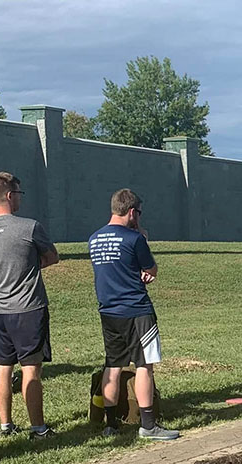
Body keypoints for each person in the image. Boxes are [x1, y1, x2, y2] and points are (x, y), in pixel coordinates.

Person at [88, 188, 179, 441]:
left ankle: (110, 424)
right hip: (137, 310)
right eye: (138, 213)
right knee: (144, 366)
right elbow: (150, 268)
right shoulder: (134, 238)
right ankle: (148, 425)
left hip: (109, 311)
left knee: (113, 365)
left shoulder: (94, 238)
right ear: (131, 211)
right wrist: (143, 240)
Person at [0, 172, 59, 440]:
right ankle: (38, 428)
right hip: (29, 308)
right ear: (10, 196)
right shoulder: (29, 227)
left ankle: (5, 425)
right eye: (19, 194)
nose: (20, 198)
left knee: (2, 366)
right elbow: (52, 256)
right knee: (31, 369)